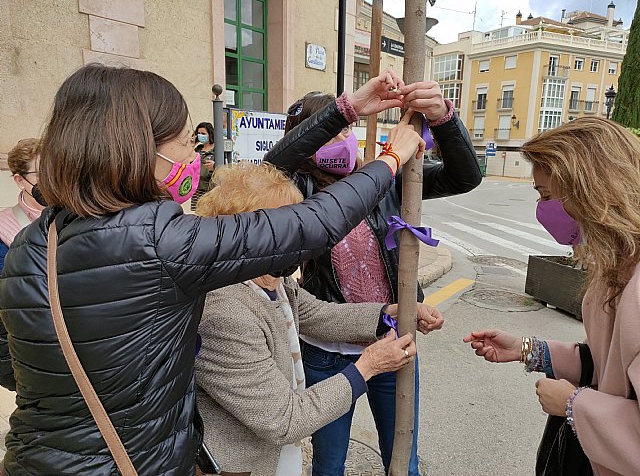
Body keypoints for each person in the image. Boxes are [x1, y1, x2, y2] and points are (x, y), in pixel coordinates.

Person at [0, 64, 424, 475]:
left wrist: (345, 110)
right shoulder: (163, 244)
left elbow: (10, 364)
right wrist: (391, 158)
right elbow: (315, 223)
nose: (196, 155)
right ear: (138, 150)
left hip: (34, 456)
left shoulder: (30, 242)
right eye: (187, 142)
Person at [264, 80, 482, 475]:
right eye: (330, 131)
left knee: (403, 463)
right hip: (327, 355)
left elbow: (465, 177)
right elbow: (272, 167)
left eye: (346, 130)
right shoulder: (295, 191)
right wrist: (345, 109)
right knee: (329, 465)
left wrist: (443, 119)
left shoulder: (384, 179)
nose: (341, 139)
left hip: (392, 345)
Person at [193, 161, 444, 475]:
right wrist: (368, 366)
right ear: (247, 234)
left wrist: (389, 312)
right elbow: (284, 419)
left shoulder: (272, 280)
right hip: (243, 466)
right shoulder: (225, 311)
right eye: (289, 229)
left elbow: (317, 313)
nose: (302, 239)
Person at [463, 117, 640, 476]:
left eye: (546, 195)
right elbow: (609, 364)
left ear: (592, 189)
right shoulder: (617, 264)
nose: (542, 209)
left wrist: (575, 405)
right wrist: (529, 350)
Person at [0, 139, 44, 272]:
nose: (50, 180)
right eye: (41, 173)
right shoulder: (4, 227)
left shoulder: (72, 215)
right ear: (20, 181)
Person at [191, 121, 215, 211]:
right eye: (199, 133)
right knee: (198, 212)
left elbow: (225, 167)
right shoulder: (197, 149)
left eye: (203, 133)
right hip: (197, 188)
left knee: (209, 213)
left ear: (210, 134)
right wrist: (192, 144)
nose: (201, 135)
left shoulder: (217, 149)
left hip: (210, 189)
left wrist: (214, 166)